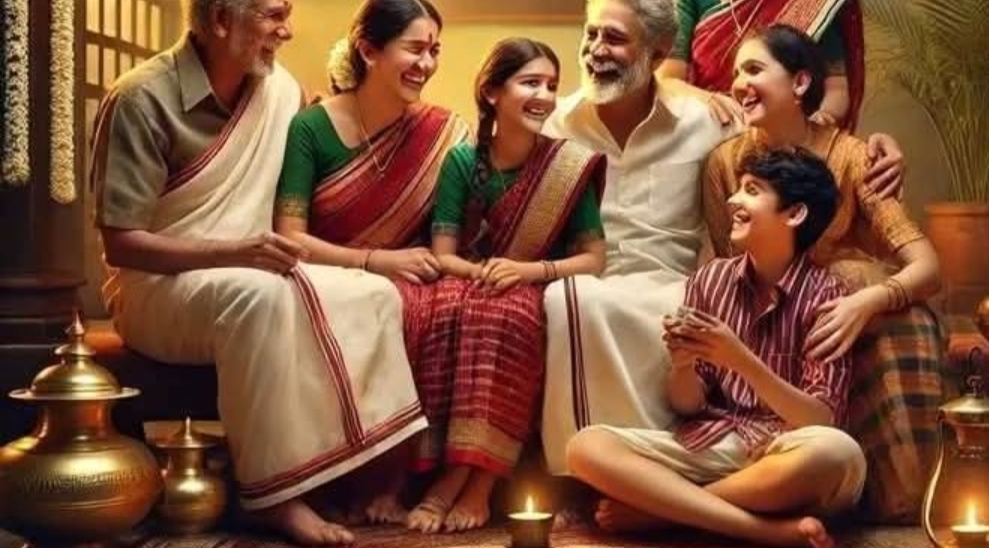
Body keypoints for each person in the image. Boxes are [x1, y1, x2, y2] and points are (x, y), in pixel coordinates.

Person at [93, 0, 428, 544]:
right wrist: (235, 252)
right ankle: (273, 496)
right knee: (259, 298)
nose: (287, 31)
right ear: (221, 20)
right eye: (273, 16)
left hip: (253, 270)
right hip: (155, 290)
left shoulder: (280, 91)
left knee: (373, 292)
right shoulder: (141, 98)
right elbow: (122, 244)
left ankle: (360, 472)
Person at [539, 0, 903, 479]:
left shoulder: (710, 123)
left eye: (614, 38)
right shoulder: (557, 124)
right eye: (591, 35)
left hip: (675, 284)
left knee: (831, 452)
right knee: (570, 297)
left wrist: (873, 148)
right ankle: (598, 481)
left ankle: (644, 485)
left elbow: (787, 134)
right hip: (590, 277)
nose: (596, 50)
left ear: (656, 52)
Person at [701, 24, 945, 522]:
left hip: (838, 308)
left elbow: (927, 266)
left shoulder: (854, 157)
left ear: (800, 83)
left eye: (754, 69)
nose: (739, 84)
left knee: (903, 314)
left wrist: (866, 301)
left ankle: (893, 494)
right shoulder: (724, 163)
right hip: (765, 311)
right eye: (736, 73)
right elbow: (731, 267)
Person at [567, 147, 863, 548]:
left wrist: (739, 359)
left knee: (838, 454)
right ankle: (764, 531)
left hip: (784, 454)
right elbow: (688, 404)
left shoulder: (827, 296)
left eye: (752, 191)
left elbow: (821, 420)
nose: (733, 201)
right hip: (714, 445)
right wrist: (682, 366)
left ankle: (662, 513)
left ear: (794, 214)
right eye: (738, 189)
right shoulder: (711, 280)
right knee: (586, 447)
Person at [272, 0, 470, 526]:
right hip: (329, 276)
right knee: (373, 302)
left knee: (451, 306)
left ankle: (404, 481)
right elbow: (290, 236)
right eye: (414, 49)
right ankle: (344, 480)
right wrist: (373, 261)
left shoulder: (442, 132)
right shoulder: (311, 128)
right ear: (368, 50)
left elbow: (457, 233)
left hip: (415, 273)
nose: (427, 64)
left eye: (434, 51)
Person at [402, 38, 608, 534]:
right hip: (471, 278)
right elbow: (444, 254)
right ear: (492, 92)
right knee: (441, 309)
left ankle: (468, 485)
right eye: (530, 83)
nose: (545, 96)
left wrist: (526, 272)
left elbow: (594, 259)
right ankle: (458, 475)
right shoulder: (461, 161)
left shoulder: (566, 165)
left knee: (507, 314)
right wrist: (484, 273)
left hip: (533, 285)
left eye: (552, 86)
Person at [658, 0, 864, 128]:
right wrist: (709, 101)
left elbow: (836, 87)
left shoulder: (813, 2)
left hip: (790, 140)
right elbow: (666, 80)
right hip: (712, 127)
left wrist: (820, 121)